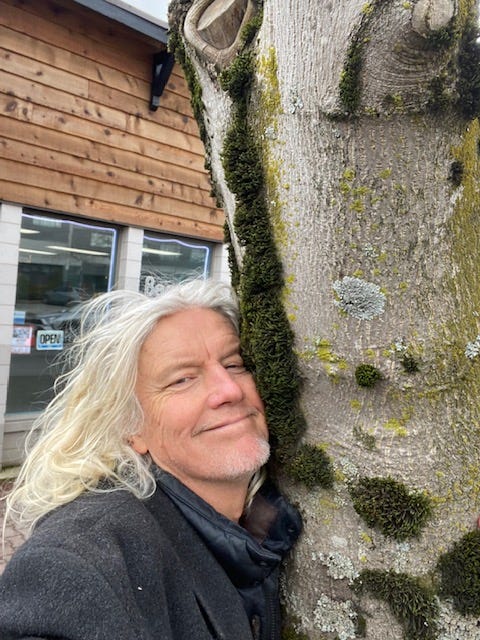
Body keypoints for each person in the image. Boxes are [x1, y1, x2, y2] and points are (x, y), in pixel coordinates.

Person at [0, 279, 302, 640]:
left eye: (234, 364)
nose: (229, 390)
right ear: (130, 426)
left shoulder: (270, 523)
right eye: (182, 380)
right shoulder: (84, 556)